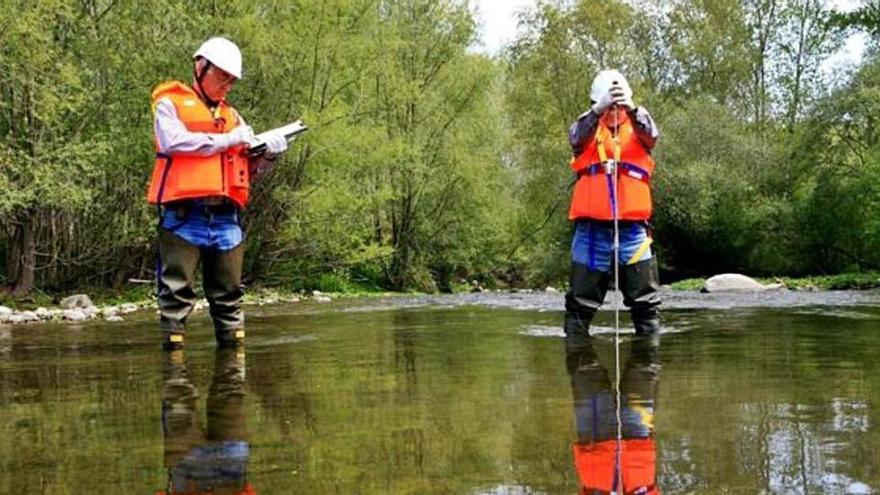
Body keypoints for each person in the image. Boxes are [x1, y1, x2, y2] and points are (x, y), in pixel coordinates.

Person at [147, 37, 290, 349]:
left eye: (232, 80)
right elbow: (173, 142)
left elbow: (246, 172)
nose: (227, 85)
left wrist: (268, 156)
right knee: (174, 299)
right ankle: (174, 381)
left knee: (229, 301)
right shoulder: (169, 104)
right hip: (184, 216)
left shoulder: (233, 118)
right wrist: (229, 140)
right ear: (201, 67)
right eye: (222, 76)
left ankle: (232, 387)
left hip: (227, 219)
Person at [564, 69, 661, 347]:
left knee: (646, 306)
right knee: (580, 305)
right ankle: (584, 379)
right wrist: (598, 109)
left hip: (633, 232)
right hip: (591, 231)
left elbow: (652, 135)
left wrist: (631, 107)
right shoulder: (586, 129)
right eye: (609, 104)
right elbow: (575, 137)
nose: (613, 110)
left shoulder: (640, 128)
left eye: (616, 104)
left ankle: (643, 381)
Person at [566, 333, 661, 494]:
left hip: (595, 445)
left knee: (582, 365)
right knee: (645, 364)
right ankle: (644, 308)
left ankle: (580, 309)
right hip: (637, 449)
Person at [158, 347, 255, 495]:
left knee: (230, 385)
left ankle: (232, 336)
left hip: (232, 466)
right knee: (176, 390)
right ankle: (175, 339)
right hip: (189, 472)